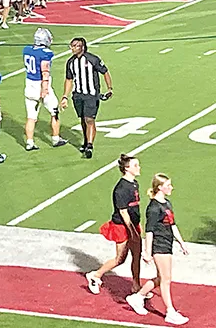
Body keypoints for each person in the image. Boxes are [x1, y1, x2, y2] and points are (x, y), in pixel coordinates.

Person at [126, 173, 189, 325]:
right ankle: (170, 312)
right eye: (168, 185)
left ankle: (137, 297)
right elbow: (149, 231)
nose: (171, 187)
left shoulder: (166, 203)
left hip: (167, 244)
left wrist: (181, 242)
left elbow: (172, 225)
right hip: (159, 246)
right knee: (166, 280)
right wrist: (147, 252)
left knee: (161, 278)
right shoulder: (153, 208)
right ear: (160, 187)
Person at [86, 154, 142, 296]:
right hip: (123, 227)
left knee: (137, 256)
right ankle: (96, 275)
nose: (139, 167)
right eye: (135, 165)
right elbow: (123, 212)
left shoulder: (134, 183)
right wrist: (132, 231)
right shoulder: (121, 189)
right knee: (120, 258)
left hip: (133, 224)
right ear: (127, 168)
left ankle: (136, 286)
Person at [60, 37, 112, 159]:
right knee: (83, 119)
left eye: (75, 46)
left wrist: (109, 88)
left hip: (91, 95)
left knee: (89, 119)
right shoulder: (71, 62)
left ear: (82, 47)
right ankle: (85, 141)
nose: (72, 48)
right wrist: (64, 97)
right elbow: (69, 79)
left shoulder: (92, 59)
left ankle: (89, 145)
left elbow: (104, 72)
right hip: (78, 95)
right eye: (71, 46)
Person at [23, 28, 67, 151]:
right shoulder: (45, 53)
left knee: (31, 117)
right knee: (55, 112)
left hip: (29, 85)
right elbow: (45, 72)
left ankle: (29, 142)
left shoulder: (27, 50)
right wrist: (45, 88)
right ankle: (55, 138)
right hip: (40, 85)